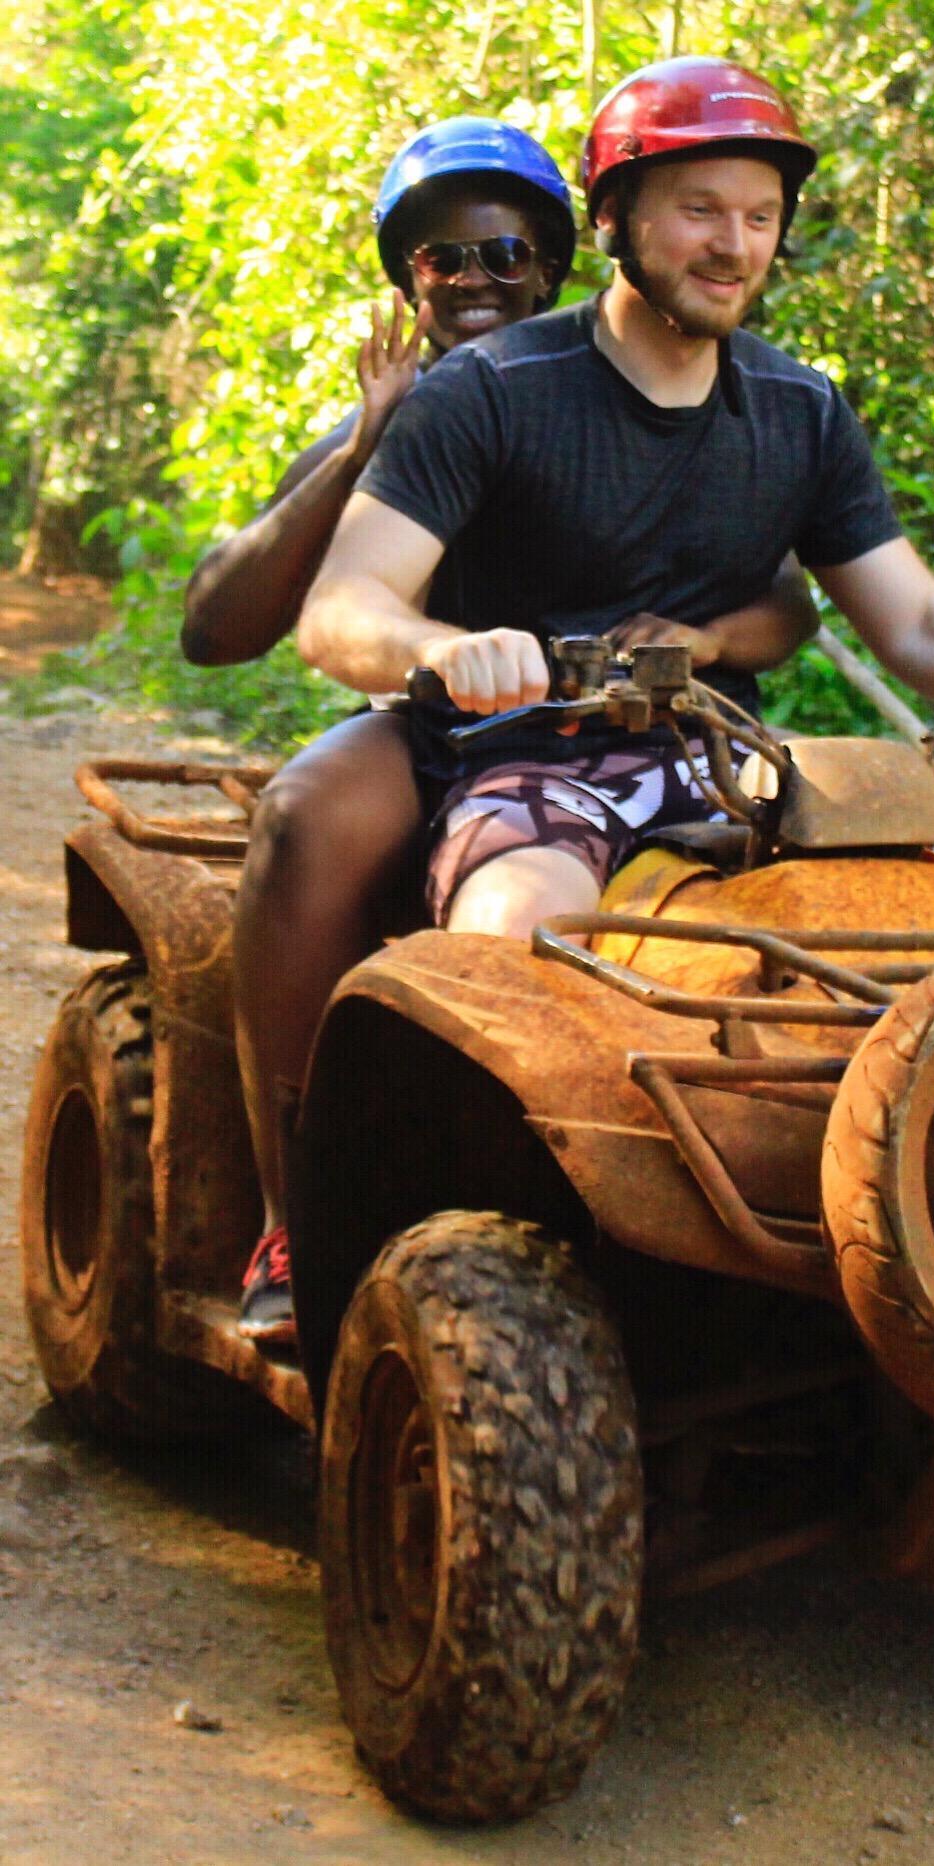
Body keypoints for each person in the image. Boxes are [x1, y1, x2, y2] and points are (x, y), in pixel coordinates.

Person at [298, 55, 934, 963]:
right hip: (526, 767)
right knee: (512, 938)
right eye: (700, 209)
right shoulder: (489, 390)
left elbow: (923, 624)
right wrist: (443, 649)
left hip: (734, 766)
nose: (733, 246)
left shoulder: (801, 409)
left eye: (760, 217)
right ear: (614, 218)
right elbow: (340, 609)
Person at [198, 117, 818, 1345]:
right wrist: (357, 451)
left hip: (623, 731)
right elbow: (220, 627)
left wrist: (702, 640)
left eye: (504, 257)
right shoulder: (413, 414)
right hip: (439, 726)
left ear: (552, 264)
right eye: (444, 261)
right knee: (308, 817)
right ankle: (289, 1209)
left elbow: (787, 595)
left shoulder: (613, 393)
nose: (476, 282)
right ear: (406, 279)